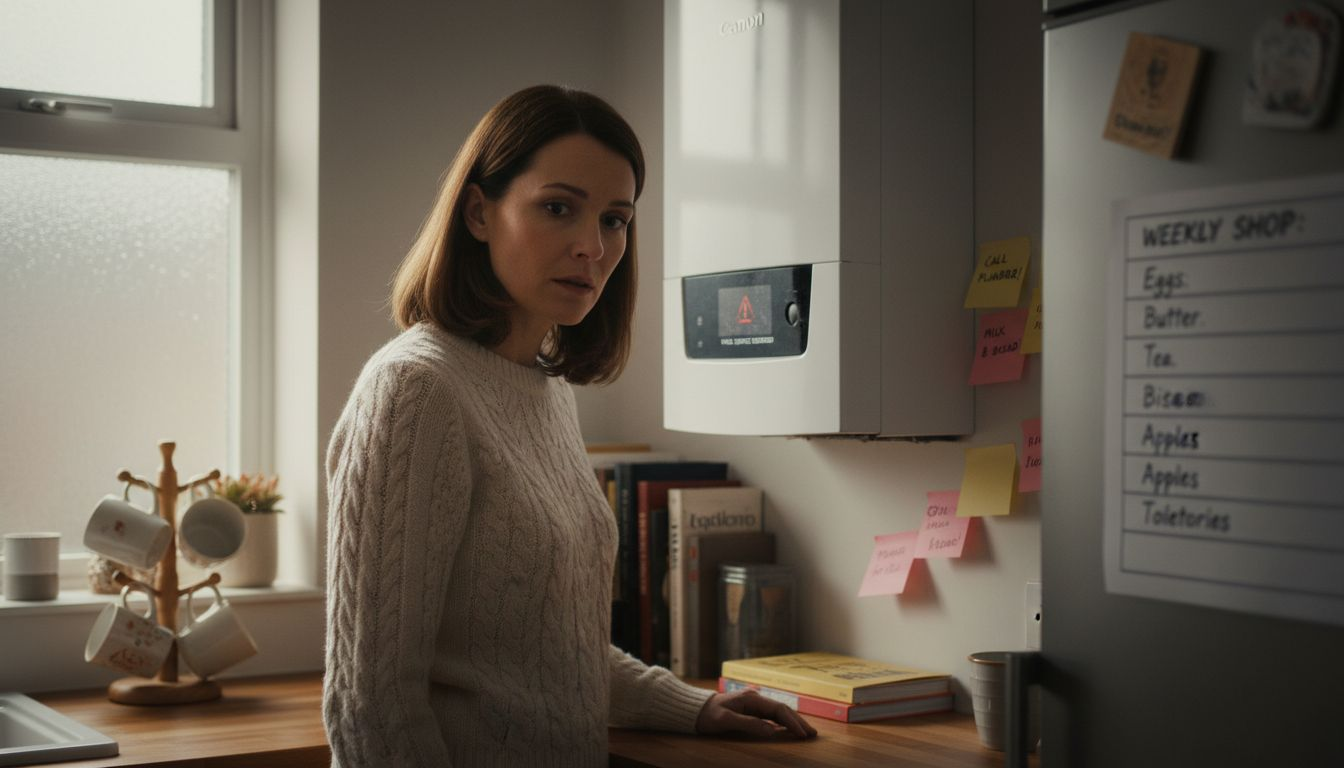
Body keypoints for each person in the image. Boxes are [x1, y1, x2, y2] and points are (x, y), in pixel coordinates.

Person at [323, 84, 815, 766]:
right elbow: (369, 703)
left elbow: (549, 650)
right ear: (477, 212)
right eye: (558, 208)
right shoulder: (416, 388)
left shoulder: (543, 387)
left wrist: (694, 705)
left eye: (615, 219)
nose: (593, 246)